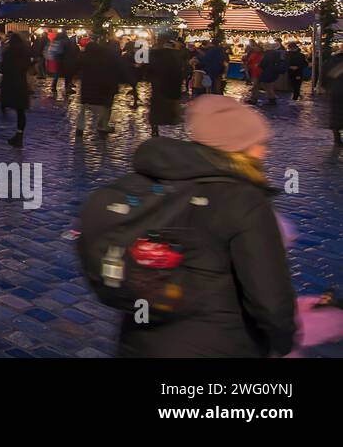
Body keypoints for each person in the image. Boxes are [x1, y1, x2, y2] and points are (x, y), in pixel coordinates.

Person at [113, 95, 296, 357]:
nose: (265, 150)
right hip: (217, 344)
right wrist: (282, 341)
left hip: (141, 341)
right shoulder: (244, 201)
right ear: (236, 147)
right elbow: (269, 298)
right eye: (258, 143)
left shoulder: (158, 183)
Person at [77, 37, 121, 136]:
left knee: (83, 109)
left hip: (86, 89)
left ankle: (79, 129)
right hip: (100, 88)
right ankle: (102, 125)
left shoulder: (84, 57)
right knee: (105, 107)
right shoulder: (105, 58)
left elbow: (77, 66)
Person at [147, 33, 186, 137]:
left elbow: (149, 69)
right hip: (170, 83)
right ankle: (171, 119)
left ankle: (154, 127)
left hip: (158, 84)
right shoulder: (174, 56)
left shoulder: (154, 54)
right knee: (170, 104)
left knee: (156, 106)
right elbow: (178, 72)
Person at [1, 31, 33, 146]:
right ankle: (19, 135)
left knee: (7, 103)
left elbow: (5, 68)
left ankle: (17, 137)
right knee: (21, 111)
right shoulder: (25, 52)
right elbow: (28, 66)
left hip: (11, 83)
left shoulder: (8, 52)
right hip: (21, 84)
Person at [250, 39, 285, 107]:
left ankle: (271, 100)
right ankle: (271, 100)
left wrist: (258, 65)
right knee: (268, 87)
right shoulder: (275, 53)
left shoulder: (268, 54)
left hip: (266, 72)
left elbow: (263, 63)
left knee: (267, 87)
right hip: (271, 72)